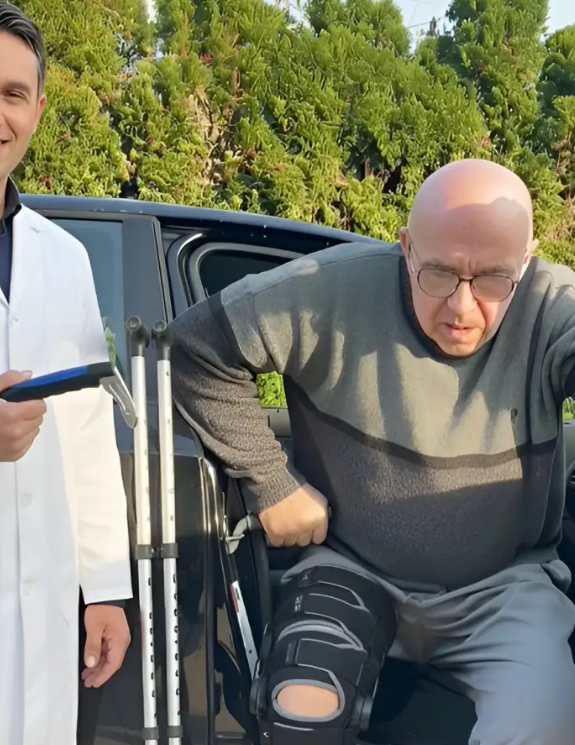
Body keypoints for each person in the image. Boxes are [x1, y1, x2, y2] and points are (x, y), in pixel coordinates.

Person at [168, 156, 575, 745]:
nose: (462, 307)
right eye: (439, 273)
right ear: (406, 247)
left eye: (492, 280)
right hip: (353, 569)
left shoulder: (552, 306)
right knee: (298, 709)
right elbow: (192, 348)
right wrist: (271, 481)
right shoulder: (328, 292)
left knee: (543, 726)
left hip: (503, 590)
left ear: (527, 260)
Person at [0, 4, 132, 744]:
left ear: (38, 110)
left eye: (13, 94)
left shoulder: (64, 258)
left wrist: (106, 586)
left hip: (43, 614)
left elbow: (86, 435)